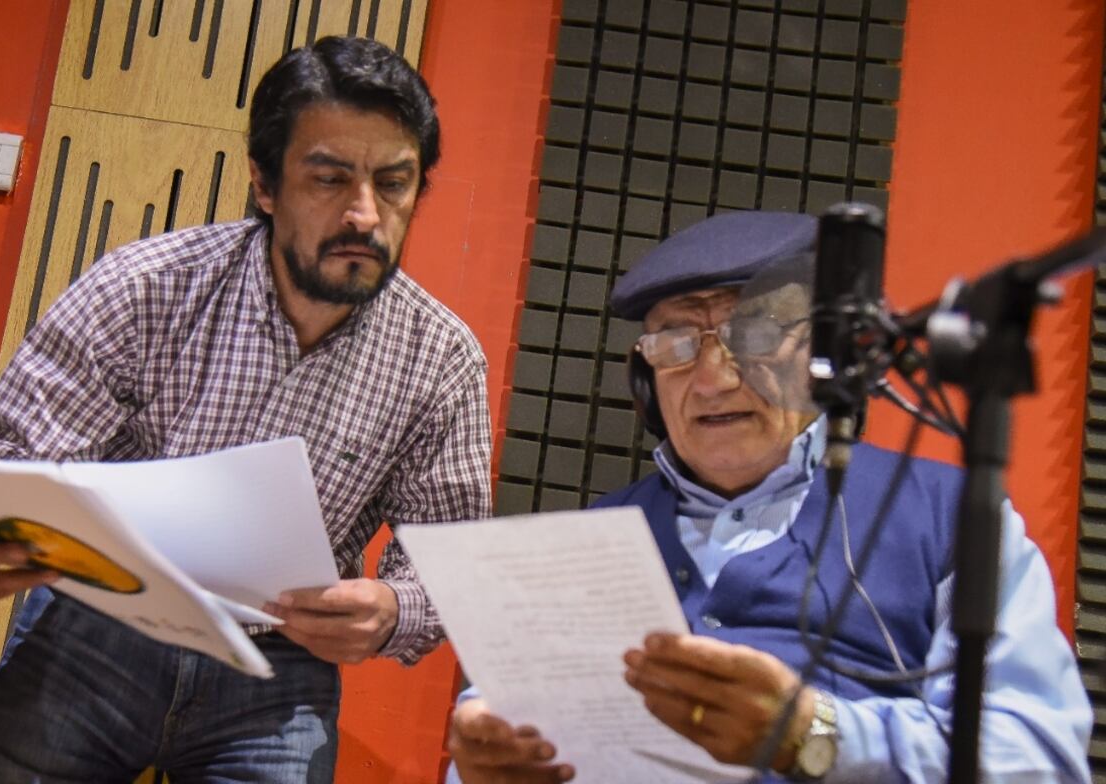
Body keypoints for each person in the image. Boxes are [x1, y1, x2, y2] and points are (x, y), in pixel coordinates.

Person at [0, 36, 491, 783]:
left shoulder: (442, 359)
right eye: (329, 179)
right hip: (102, 620)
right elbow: (14, 460)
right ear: (265, 183)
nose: (365, 214)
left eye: (394, 184)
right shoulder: (146, 287)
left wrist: (391, 609)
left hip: (280, 663)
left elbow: (446, 563)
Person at [445, 211, 1091, 783]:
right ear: (645, 383)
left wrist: (813, 735)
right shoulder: (586, 541)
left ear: (825, 357)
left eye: (752, 335)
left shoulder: (949, 523)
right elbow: (489, 736)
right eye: (677, 344)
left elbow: (1040, 758)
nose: (711, 379)